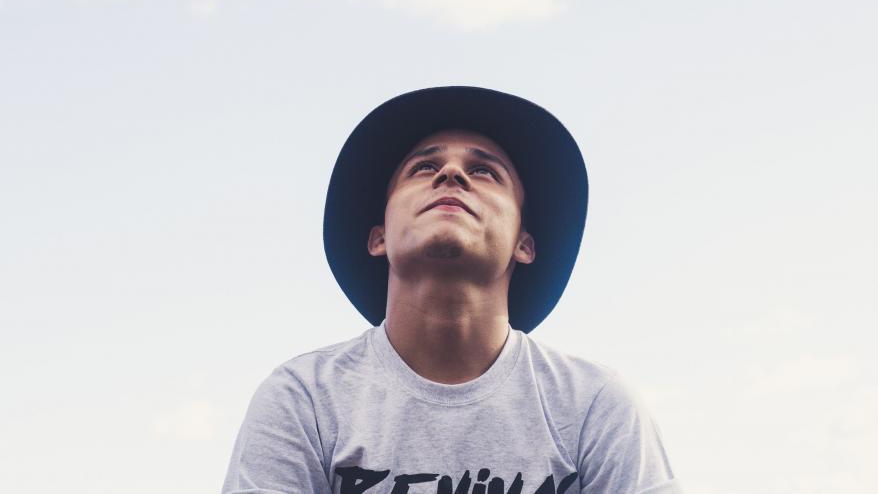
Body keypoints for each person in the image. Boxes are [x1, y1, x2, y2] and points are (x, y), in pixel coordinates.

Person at [222, 86, 683, 493]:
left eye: (485, 172)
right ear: (379, 237)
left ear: (524, 244)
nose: (451, 174)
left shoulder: (594, 405)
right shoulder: (305, 398)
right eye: (423, 167)